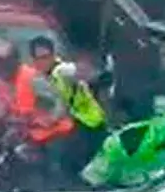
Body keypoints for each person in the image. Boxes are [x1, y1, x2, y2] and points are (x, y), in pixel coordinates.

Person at [0, 36, 75, 190]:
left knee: (55, 180)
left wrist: (50, 119)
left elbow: (59, 101)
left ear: (15, 60)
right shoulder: (4, 83)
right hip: (34, 139)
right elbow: (15, 109)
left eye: (3, 61)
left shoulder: (32, 78)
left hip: (56, 137)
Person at [28, 36, 110, 178]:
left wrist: (95, 77)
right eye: (39, 58)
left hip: (92, 123)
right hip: (82, 122)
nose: (43, 62)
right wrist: (49, 121)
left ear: (54, 55)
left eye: (46, 57)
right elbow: (63, 103)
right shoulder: (51, 77)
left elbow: (78, 71)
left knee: (74, 163)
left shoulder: (61, 70)